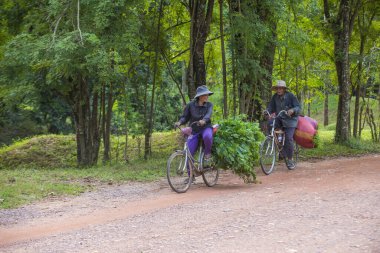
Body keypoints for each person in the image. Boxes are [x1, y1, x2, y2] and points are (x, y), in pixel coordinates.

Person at [175, 85, 214, 168]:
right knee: (189, 152)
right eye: (205, 95)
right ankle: (191, 176)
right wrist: (179, 122)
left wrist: (204, 120)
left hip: (206, 127)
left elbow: (208, 115)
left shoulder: (209, 105)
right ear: (199, 96)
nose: (207, 96)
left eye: (207, 95)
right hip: (194, 130)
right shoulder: (190, 105)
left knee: (207, 136)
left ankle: (207, 154)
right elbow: (185, 117)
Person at [266, 80, 301, 169]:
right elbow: (270, 107)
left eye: (280, 88)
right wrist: (267, 112)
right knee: (270, 124)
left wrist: (293, 110)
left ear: (284, 89)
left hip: (290, 120)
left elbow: (298, 107)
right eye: (277, 88)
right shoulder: (275, 97)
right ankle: (279, 145)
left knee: (289, 138)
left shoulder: (291, 96)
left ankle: (290, 159)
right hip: (280, 118)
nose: (279, 90)